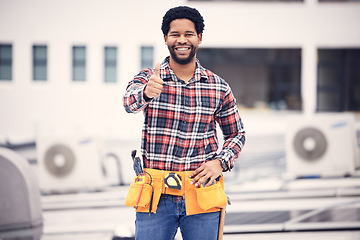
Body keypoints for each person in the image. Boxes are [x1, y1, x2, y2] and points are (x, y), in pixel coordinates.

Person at [123, 6, 245, 240]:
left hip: (202, 194)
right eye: (175, 34)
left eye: (188, 34)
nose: (182, 40)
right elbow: (129, 103)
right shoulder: (149, 78)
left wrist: (220, 162)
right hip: (155, 197)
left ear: (199, 38)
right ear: (165, 38)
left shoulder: (218, 87)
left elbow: (236, 134)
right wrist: (147, 93)